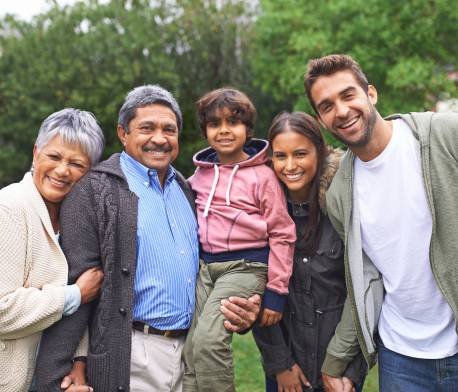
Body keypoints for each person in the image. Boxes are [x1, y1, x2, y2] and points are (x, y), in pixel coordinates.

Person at [35, 85, 263, 392]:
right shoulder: (93, 191)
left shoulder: (186, 189)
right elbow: (76, 285)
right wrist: (59, 374)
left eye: (169, 129)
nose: (159, 138)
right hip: (131, 355)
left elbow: (216, 269)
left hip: (189, 355)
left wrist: (244, 310)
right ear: (123, 133)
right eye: (147, 128)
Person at [303, 54, 458, 392]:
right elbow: (367, 278)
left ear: (370, 94)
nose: (342, 111)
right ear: (321, 119)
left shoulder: (443, 135)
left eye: (348, 95)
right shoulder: (339, 196)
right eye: (327, 106)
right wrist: (336, 358)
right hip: (401, 359)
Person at [182, 88, 296, 392]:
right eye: (214, 124)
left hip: (245, 267)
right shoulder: (199, 176)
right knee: (191, 347)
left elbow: (283, 234)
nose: (223, 131)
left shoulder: (263, 176)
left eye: (233, 122)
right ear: (205, 130)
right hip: (207, 269)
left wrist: (276, 292)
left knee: (209, 341)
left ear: (247, 129)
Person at [252, 111, 366, 392]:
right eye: (280, 156)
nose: (290, 165)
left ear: (320, 152)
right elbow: (252, 290)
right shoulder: (260, 217)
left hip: (339, 373)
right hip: (286, 375)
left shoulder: (346, 209)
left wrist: (351, 372)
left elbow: (368, 295)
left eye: (300, 154)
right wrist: (280, 366)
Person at [0, 108, 105, 392]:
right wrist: (75, 294)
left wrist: (78, 363)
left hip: (51, 376)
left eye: (76, 164)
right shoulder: (9, 207)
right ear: (36, 153)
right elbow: (2, 309)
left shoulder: (75, 219)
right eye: (54, 156)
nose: (62, 171)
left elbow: (82, 310)